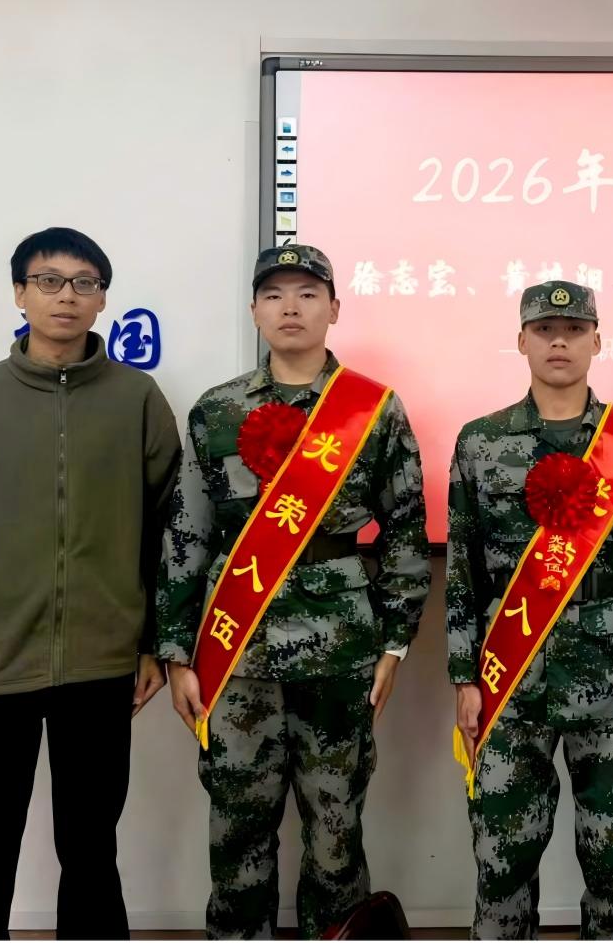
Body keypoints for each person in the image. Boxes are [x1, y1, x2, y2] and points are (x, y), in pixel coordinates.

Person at [0, 226, 181, 939]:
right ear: (19, 293)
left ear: (102, 299)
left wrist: (152, 643)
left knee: (90, 848)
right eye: (48, 280)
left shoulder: (136, 399)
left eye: (84, 283)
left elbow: (168, 535)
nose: (66, 296)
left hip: (101, 665)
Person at [158, 244, 429, 939]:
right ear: (254, 309)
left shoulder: (372, 409)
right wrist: (176, 651)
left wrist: (395, 642)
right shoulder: (216, 411)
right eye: (274, 294)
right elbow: (187, 532)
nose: (290, 307)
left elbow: (404, 530)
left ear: (334, 308)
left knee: (336, 830)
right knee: (237, 829)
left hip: (342, 648)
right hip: (235, 648)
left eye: (307, 294)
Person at [447, 280, 613, 939]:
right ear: (521, 340)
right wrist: (464, 677)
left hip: (612, 679)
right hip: (508, 677)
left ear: (597, 341)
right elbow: (464, 570)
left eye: (575, 330)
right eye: (545, 330)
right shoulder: (480, 441)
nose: (559, 341)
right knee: (501, 861)